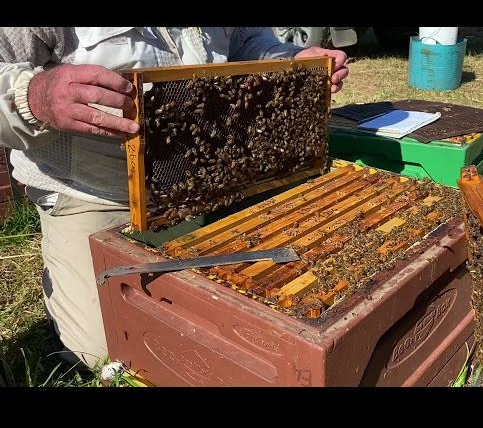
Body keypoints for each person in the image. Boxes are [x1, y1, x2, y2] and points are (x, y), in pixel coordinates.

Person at [0, 27, 349, 369]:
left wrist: (290, 58)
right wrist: (33, 97)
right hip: (94, 190)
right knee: (110, 348)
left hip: (214, 177)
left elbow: (243, 37)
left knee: (284, 280)